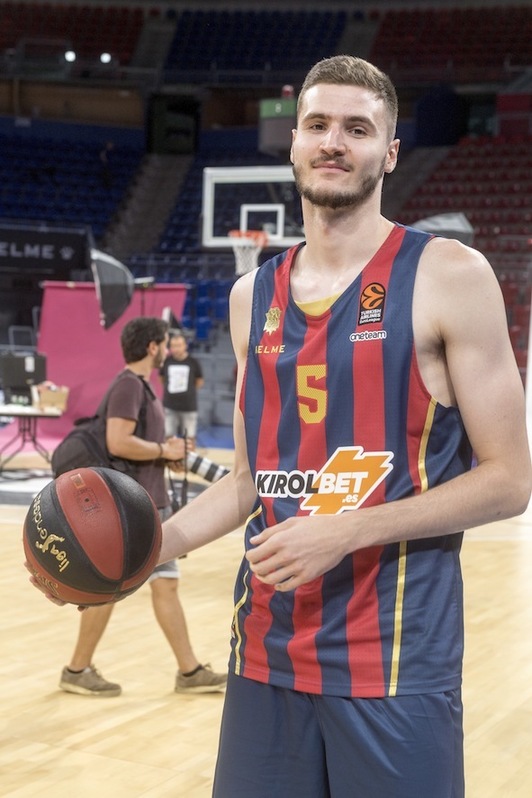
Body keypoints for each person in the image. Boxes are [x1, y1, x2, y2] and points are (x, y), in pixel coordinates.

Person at [59, 317, 227, 697]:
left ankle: (189, 671)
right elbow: (118, 442)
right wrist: (162, 450)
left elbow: (134, 444)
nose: (168, 350)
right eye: (165, 343)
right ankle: (77, 668)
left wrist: (164, 455)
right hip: (133, 511)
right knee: (108, 587)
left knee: (164, 586)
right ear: (152, 347)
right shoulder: (128, 386)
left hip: (149, 505)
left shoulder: (140, 388)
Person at [160, 331, 204, 451]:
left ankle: (190, 460)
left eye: (179, 345)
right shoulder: (167, 362)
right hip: (169, 405)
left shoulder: (193, 362)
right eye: (173, 346)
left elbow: (199, 381)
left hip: (189, 406)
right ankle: (170, 461)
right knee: (168, 435)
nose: (176, 348)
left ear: (185, 346)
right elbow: (162, 379)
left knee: (189, 437)